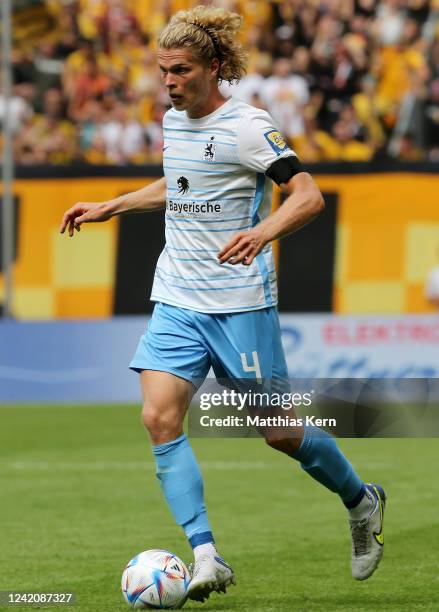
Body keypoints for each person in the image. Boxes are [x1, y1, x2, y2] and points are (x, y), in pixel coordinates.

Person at [60, 5, 386, 604]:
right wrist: (112, 205)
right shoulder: (173, 120)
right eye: (162, 71)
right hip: (176, 297)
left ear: (212, 68)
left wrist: (263, 233)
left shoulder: (248, 126)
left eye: (179, 71)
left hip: (239, 304)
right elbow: (180, 183)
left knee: (279, 433)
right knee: (159, 419)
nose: (168, 82)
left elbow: (307, 197)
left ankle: (361, 500)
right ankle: (206, 557)